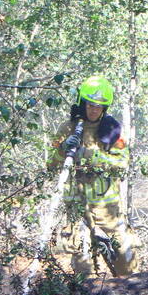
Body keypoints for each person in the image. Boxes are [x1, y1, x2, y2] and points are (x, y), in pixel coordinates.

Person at [48, 75, 140, 277]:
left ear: (104, 108)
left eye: (99, 106)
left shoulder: (112, 131)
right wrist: (64, 149)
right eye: (90, 105)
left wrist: (94, 157)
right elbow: (51, 163)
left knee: (127, 263)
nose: (94, 110)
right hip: (78, 207)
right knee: (84, 266)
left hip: (108, 208)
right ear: (83, 103)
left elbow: (123, 163)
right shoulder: (68, 128)